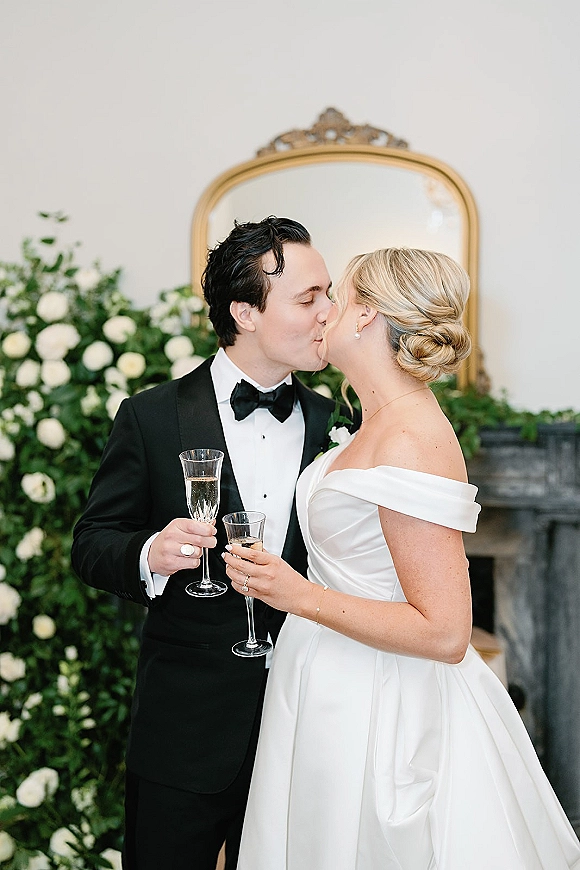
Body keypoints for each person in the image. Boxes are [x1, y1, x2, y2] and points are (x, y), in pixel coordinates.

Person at [224, 248, 580, 869]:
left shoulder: (411, 436)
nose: (323, 310)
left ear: (366, 316)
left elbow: (444, 632)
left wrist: (296, 595)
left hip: (384, 701)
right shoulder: (376, 423)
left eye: (336, 294)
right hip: (330, 677)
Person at [71, 216, 355, 870]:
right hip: (184, 732)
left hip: (308, 725)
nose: (329, 314)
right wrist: (149, 553)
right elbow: (92, 543)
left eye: (329, 295)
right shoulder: (150, 417)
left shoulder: (336, 420)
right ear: (244, 312)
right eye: (308, 298)